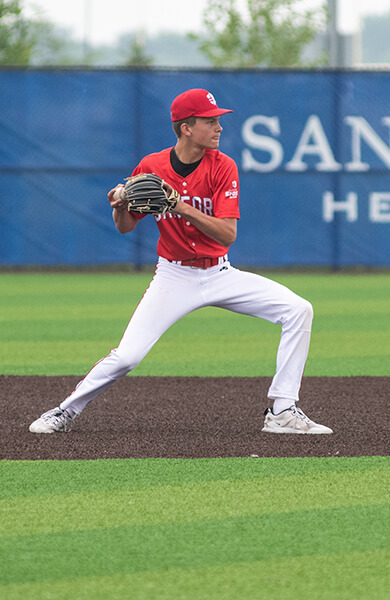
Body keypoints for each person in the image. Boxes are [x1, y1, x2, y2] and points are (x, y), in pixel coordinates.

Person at [29, 88, 333, 436]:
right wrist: (120, 206)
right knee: (128, 357)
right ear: (186, 127)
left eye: (218, 120)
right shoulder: (151, 167)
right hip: (173, 277)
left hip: (220, 272)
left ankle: (281, 411)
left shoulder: (223, 167)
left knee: (298, 309)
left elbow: (227, 235)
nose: (219, 127)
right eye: (211, 120)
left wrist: (180, 206)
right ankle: (64, 411)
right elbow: (127, 226)